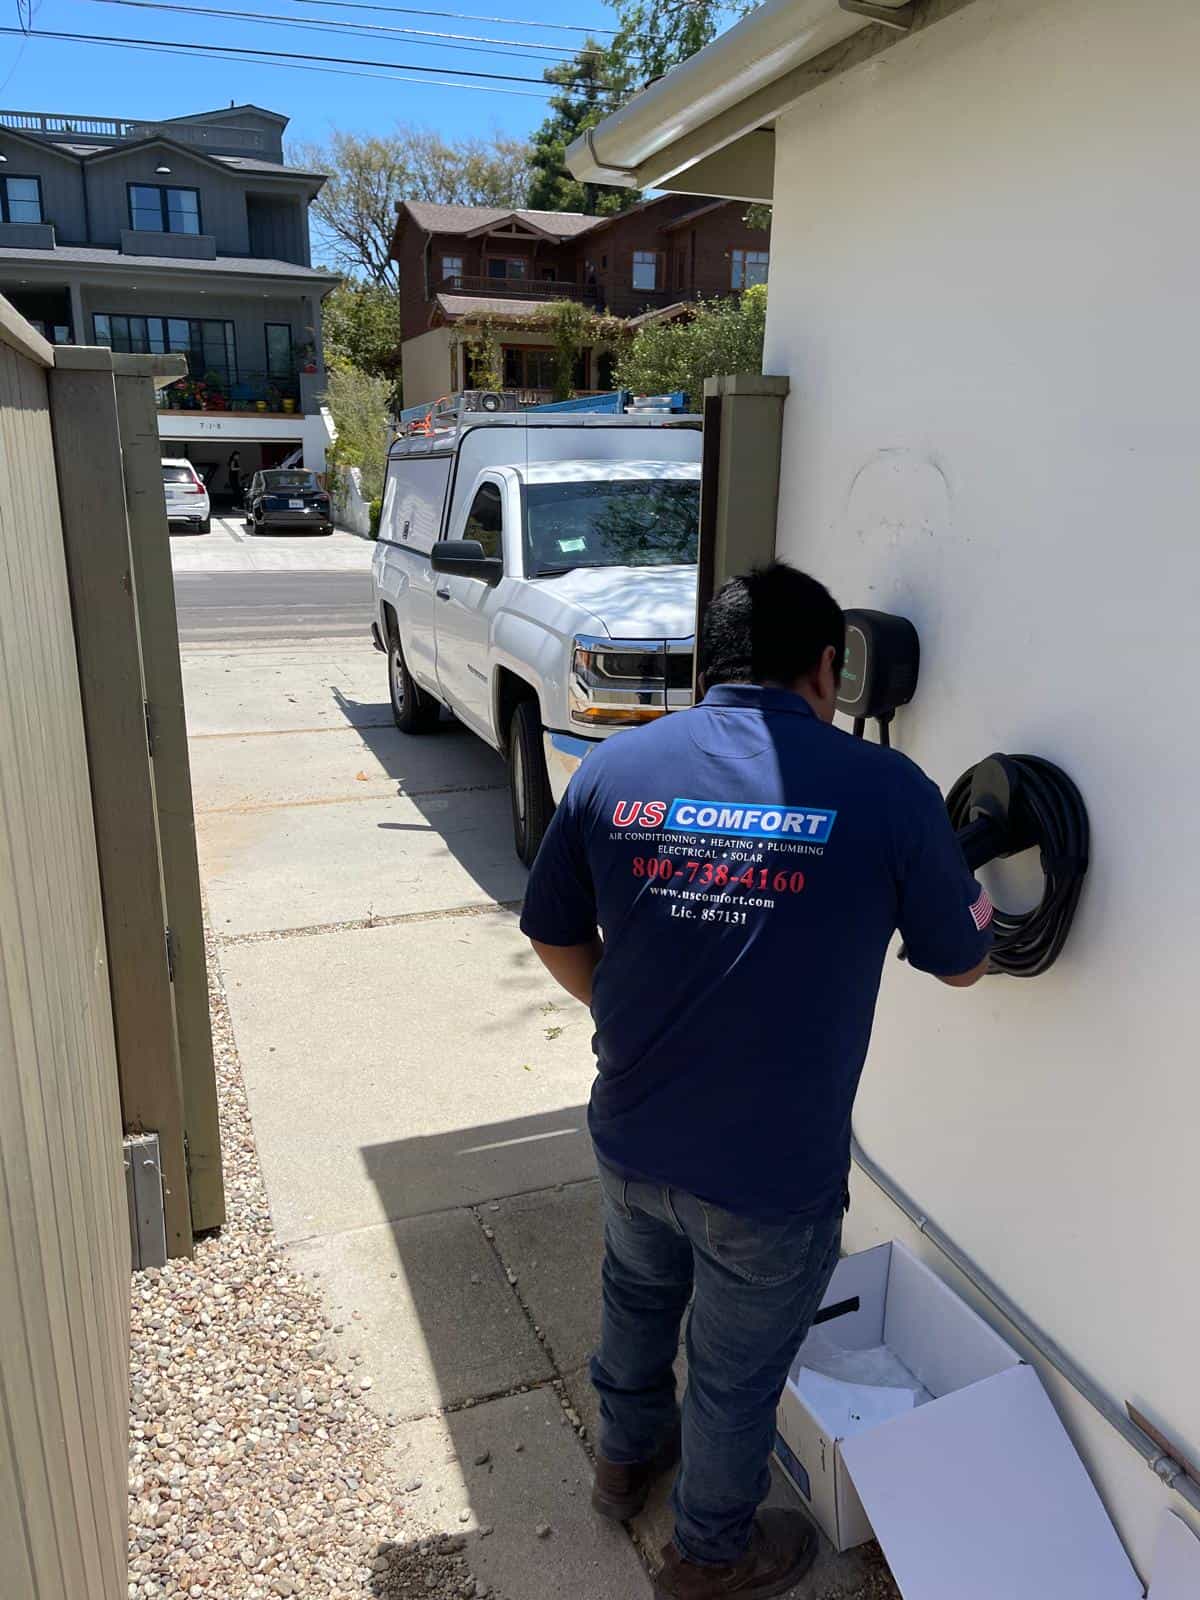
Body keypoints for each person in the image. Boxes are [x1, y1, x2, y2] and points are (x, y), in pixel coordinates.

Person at [520, 563, 992, 1599]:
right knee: (733, 1378)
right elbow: (962, 961)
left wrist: (624, 1016)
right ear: (828, 668)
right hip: (768, 1177)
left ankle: (622, 1465)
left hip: (631, 1130)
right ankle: (709, 1554)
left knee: (635, 1301)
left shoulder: (613, 768)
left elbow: (550, 928)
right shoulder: (888, 792)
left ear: (711, 663)